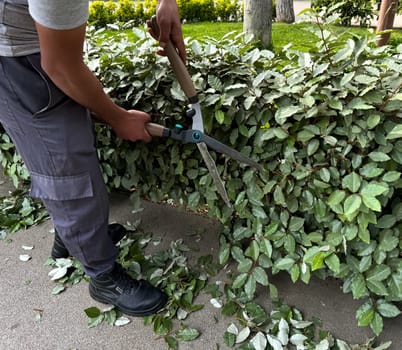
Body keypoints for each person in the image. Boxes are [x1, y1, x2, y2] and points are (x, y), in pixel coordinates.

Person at [0, 0, 186, 317]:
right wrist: (118, 117)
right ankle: (102, 277)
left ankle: (73, 240)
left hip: (38, 47)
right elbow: (59, 65)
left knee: (74, 150)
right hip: (16, 63)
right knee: (65, 171)